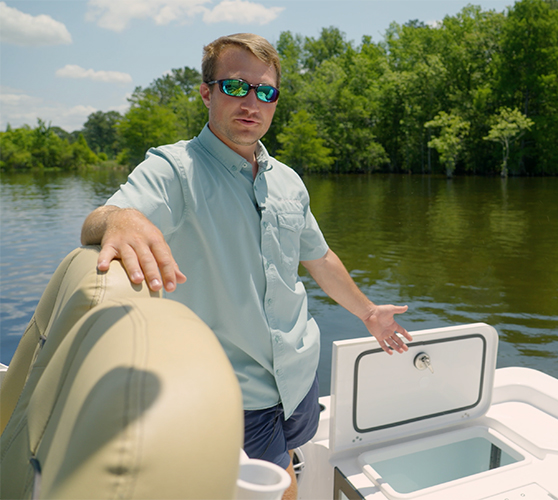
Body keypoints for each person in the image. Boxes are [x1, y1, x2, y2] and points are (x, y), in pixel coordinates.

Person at [80, 33, 411, 500]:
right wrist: (121, 218)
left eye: (266, 91)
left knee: (290, 459)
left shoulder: (288, 181)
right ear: (206, 92)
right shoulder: (173, 170)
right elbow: (99, 220)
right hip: (233, 394)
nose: (252, 102)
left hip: (297, 376)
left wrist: (368, 313)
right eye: (236, 87)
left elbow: (319, 258)